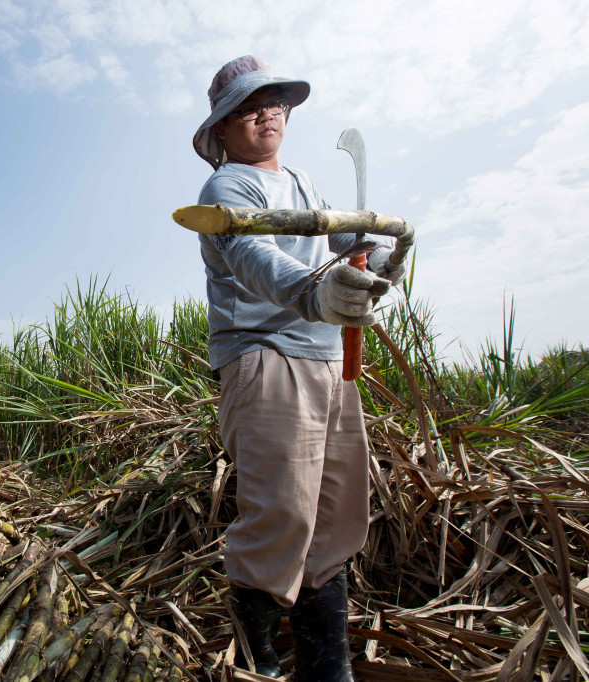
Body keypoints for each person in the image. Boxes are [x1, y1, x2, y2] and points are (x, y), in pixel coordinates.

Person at [192, 56, 406, 681]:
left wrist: (373, 252)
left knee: (337, 517)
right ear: (222, 131)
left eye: (274, 103)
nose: (265, 114)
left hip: (329, 362)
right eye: (247, 107)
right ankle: (255, 660)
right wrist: (315, 295)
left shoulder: (307, 185)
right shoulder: (228, 189)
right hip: (267, 356)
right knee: (282, 512)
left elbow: (341, 244)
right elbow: (254, 255)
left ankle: (325, 668)